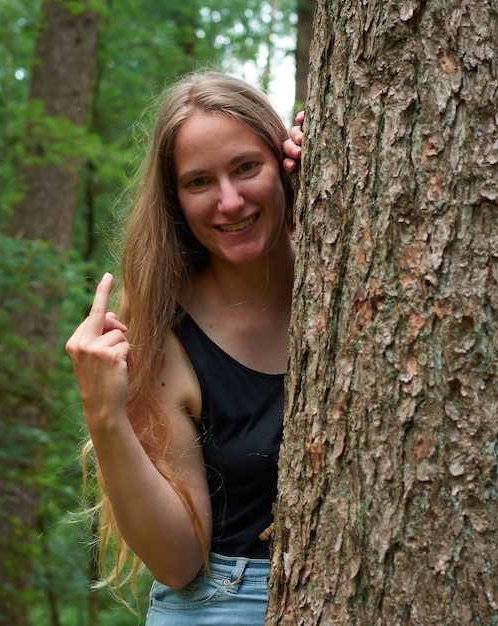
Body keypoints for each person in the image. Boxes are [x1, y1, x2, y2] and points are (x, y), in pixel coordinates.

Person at [66, 72, 303, 625]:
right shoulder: (164, 330)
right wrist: (104, 416)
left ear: (283, 161)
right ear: (175, 200)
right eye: (199, 182)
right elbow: (176, 563)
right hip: (224, 601)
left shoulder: (361, 253)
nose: (229, 200)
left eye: (247, 167)